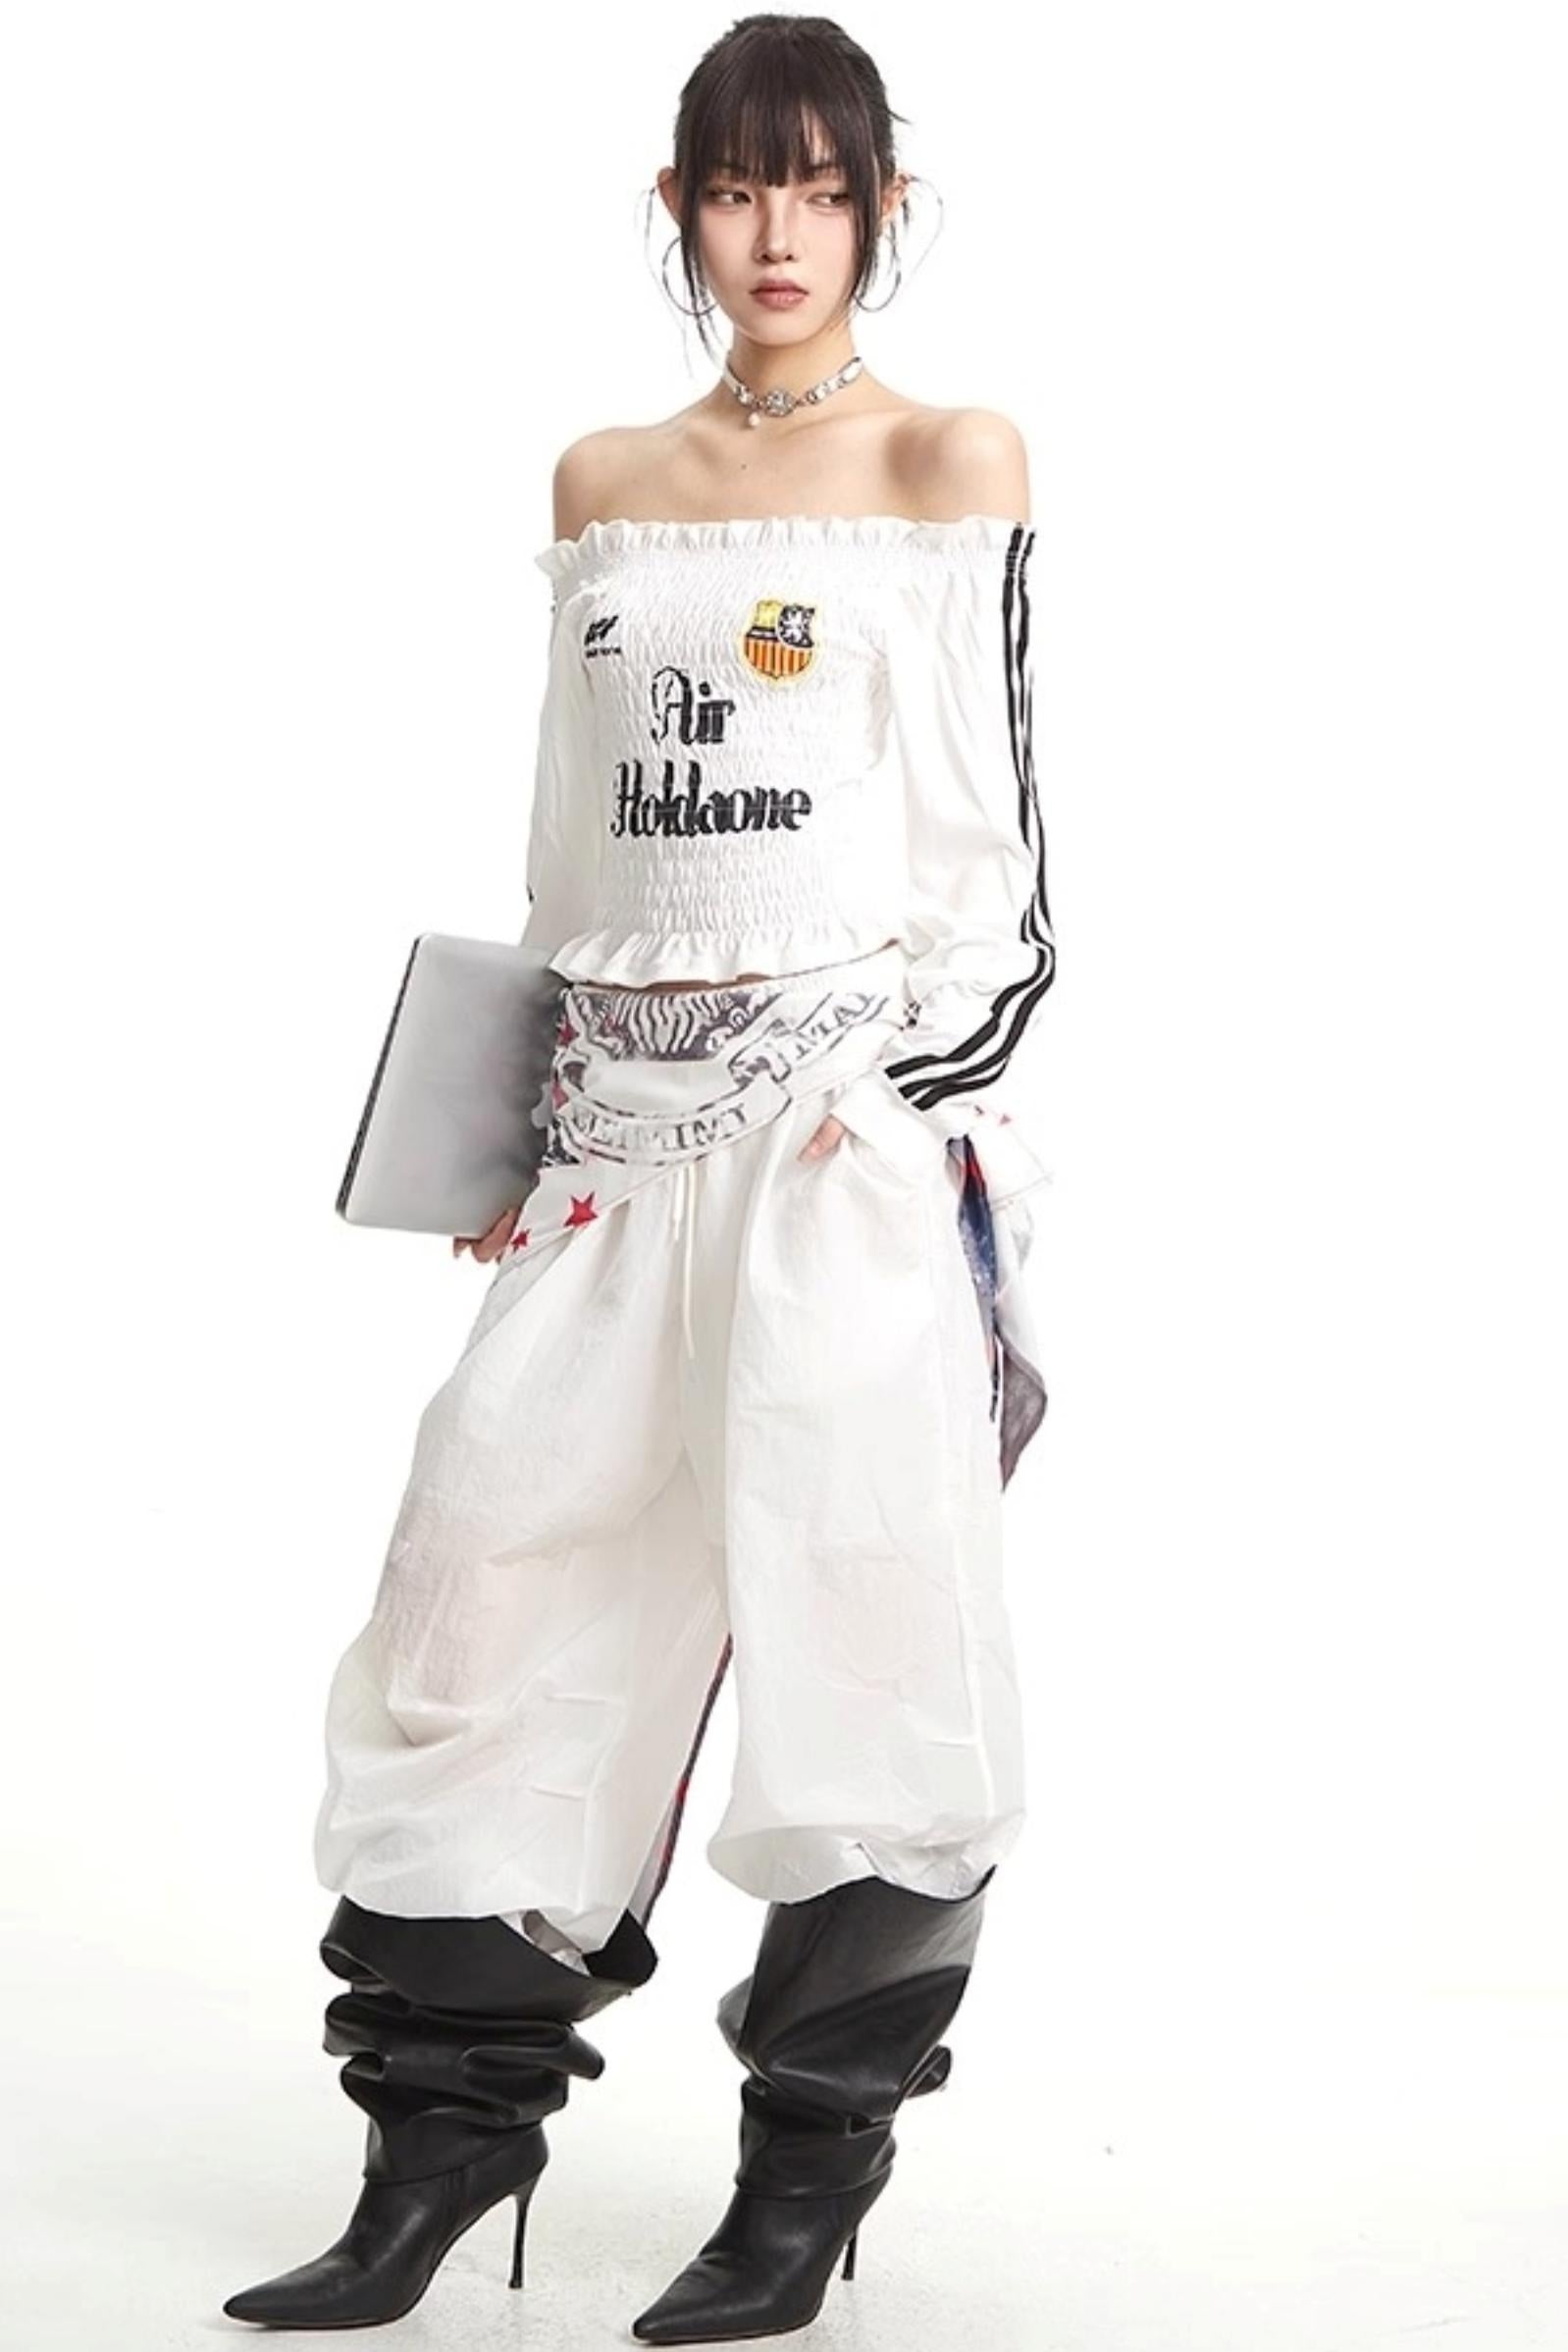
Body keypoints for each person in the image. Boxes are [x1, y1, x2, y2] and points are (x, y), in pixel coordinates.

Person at [222, 15, 1056, 2342]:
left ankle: (801, 2182)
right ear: (679, 204)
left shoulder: (947, 456)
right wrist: (513, 1120)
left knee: (862, 1634)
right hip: (605, 1140)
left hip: (833, 1143)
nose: (779, 234)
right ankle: (437, 2146)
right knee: (477, 1604)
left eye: (822, 187)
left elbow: (999, 873)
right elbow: (563, 844)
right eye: (736, 186)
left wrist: (889, 1105)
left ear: (882, 203)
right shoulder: (606, 478)